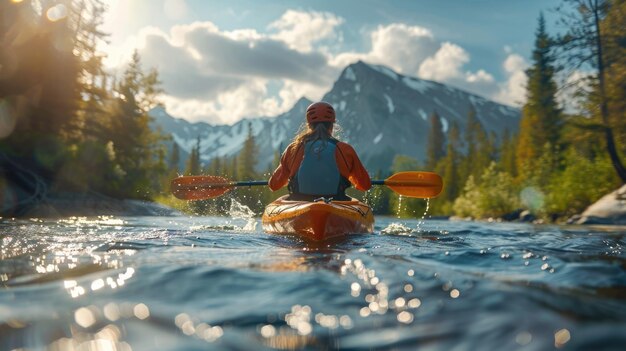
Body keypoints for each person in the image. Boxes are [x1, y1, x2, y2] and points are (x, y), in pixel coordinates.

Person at [268, 101, 371, 201]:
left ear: (308, 125)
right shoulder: (345, 149)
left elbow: (273, 185)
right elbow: (365, 185)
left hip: (301, 203)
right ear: (332, 125)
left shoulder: (293, 149)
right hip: (336, 203)